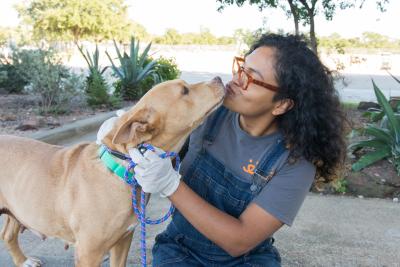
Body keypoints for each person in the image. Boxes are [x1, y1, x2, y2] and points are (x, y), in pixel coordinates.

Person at [129, 33, 347, 266]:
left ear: (282, 104)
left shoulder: (294, 164)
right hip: (180, 251)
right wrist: (124, 137)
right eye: (241, 67)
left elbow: (240, 240)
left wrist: (170, 185)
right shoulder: (206, 114)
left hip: (246, 260)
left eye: (251, 78)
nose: (235, 79)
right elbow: (155, 142)